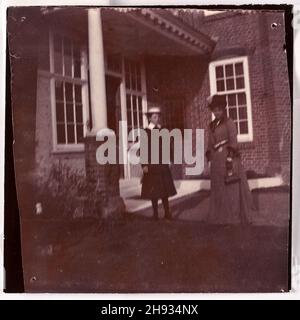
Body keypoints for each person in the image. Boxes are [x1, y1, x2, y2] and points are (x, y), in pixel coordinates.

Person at [205, 94, 257, 225]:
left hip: (229, 159)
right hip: (217, 161)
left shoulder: (230, 123)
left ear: (223, 109)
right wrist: (209, 158)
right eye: (214, 110)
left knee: (231, 188)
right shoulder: (211, 125)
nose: (216, 112)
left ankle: (233, 217)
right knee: (219, 188)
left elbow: (233, 141)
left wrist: (229, 157)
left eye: (219, 109)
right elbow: (209, 144)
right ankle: (220, 217)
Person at [141, 107, 177, 220]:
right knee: (154, 190)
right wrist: (144, 164)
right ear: (149, 118)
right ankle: (155, 213)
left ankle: (167, 212)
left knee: (164, 189)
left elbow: (168, 146)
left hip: (162, 164)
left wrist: (170, 160)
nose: (157, 119)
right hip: (151, 164)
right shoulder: (146, 132)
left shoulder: (163, 130)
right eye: (154, 117)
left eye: (158, 116)